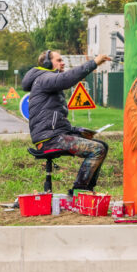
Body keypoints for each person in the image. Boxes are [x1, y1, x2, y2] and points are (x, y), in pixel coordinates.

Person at [22, 49, 111, 195]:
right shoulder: (45, 78)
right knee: (97, 150)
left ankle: (86, 189)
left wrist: (78, 131)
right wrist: (94, 63)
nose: (63, 63)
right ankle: (79, 192)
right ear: (47, 63)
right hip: (50, 139)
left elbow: (56, 121)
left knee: (103, 146)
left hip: (55, 135)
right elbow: (67, 79)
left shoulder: (46, 80)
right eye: (59, 60)